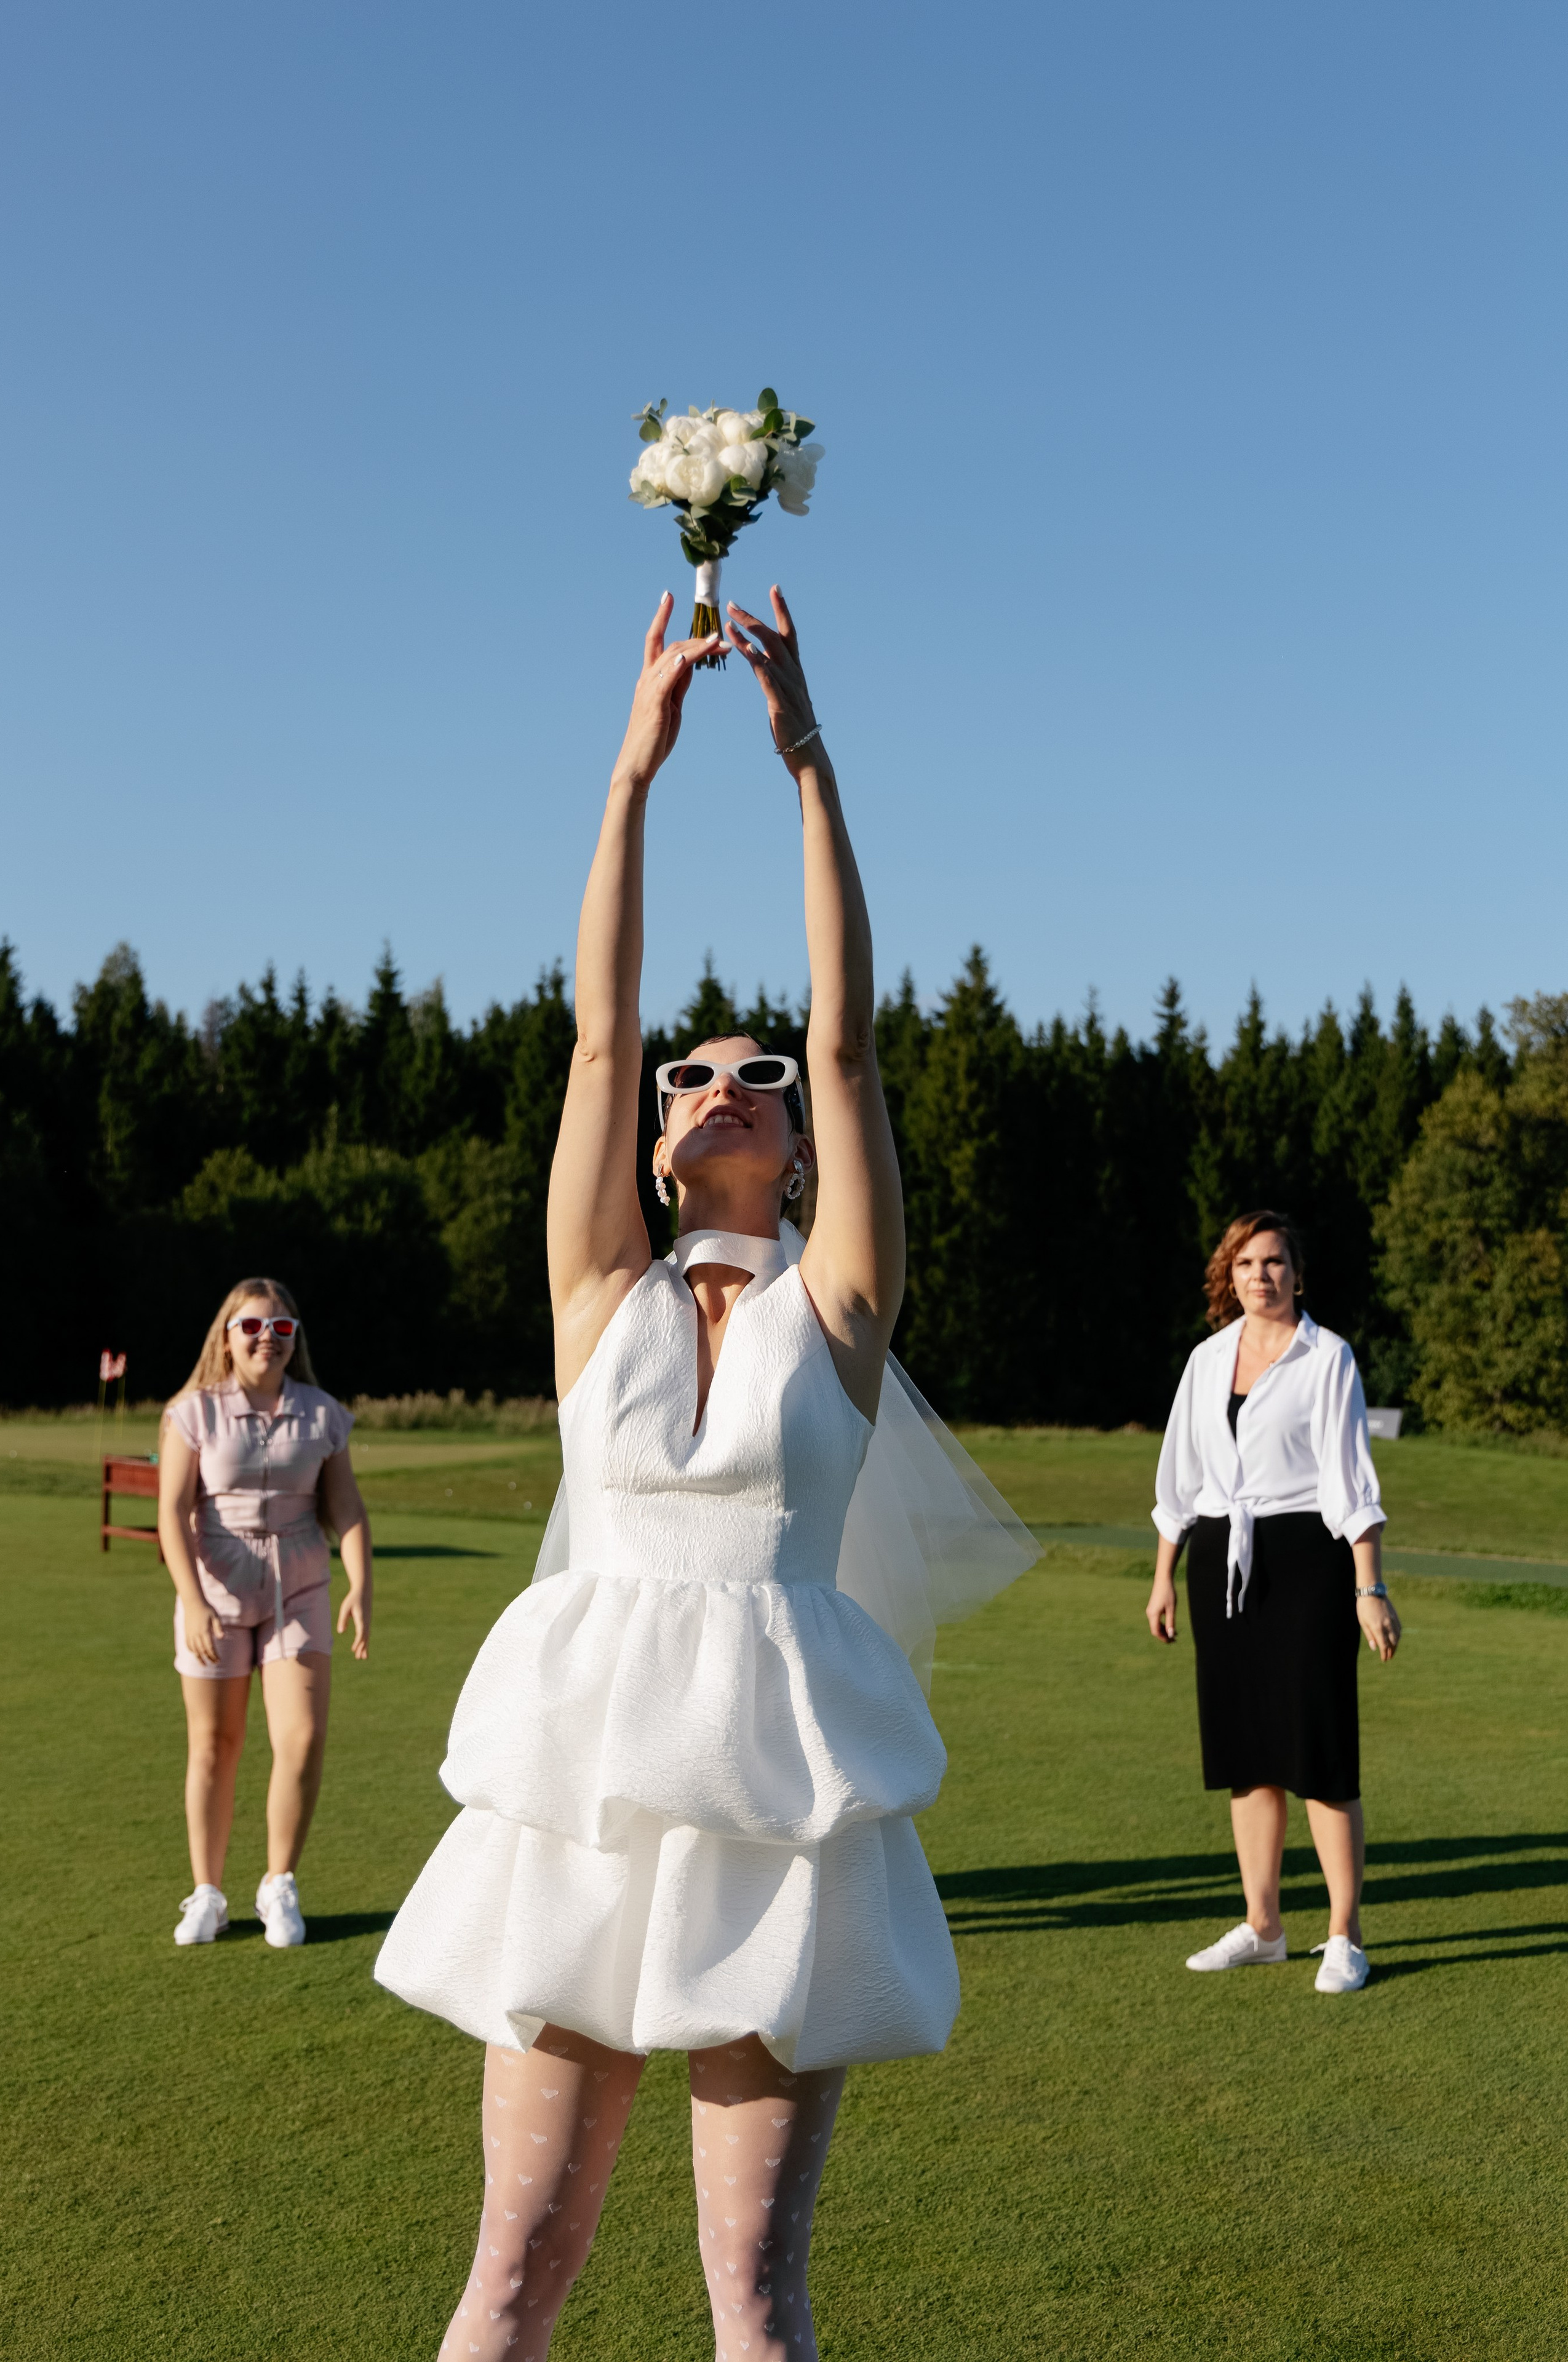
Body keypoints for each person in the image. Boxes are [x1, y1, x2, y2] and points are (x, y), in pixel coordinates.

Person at [375, 589, 1032, 2362]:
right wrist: (633, 772)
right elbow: (596, 1031)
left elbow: (853, 1032)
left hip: (776, 1803)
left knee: (754, 2290)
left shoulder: (842, 1304)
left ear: (802, 1144)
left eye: (758, 1076)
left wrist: (805, 753)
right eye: (692, 1075)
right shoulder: (601, 1292)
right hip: (584, 1791)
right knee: (516, 2266)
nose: (718, 1083)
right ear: (658, 1137)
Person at [1145, 1212, 1401, 1994]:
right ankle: (1263, 1928)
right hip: (1219, 1564)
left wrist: (1368, 1588)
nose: (1261, 1275)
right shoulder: (1206, 1360)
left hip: (1306, 1564)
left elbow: (1350, 1481)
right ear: (1229, 1275)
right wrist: (1162, 1576)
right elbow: (1178, 1477)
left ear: (1297, 1273)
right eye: (1246, 1263)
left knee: (1319, 1755)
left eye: (1275, 1261)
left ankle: (1344, 1936)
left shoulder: (1328, 1358)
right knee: (1247, 1757)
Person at [159, 1278, 372, 1949]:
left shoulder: (322, 1414)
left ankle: (279, 1884)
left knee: (301, 1738)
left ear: (294, 1339)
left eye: (282, 1329)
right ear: (227, 1337)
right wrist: (192, 1599)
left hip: (299, 1588)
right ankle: (208, 1894)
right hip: (216, 1591)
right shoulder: (193, 1413)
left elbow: (347, 1508)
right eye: (252, 1327)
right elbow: (172, 1512)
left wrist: (361, 1583)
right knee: (214, 1745)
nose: (267, 1340)